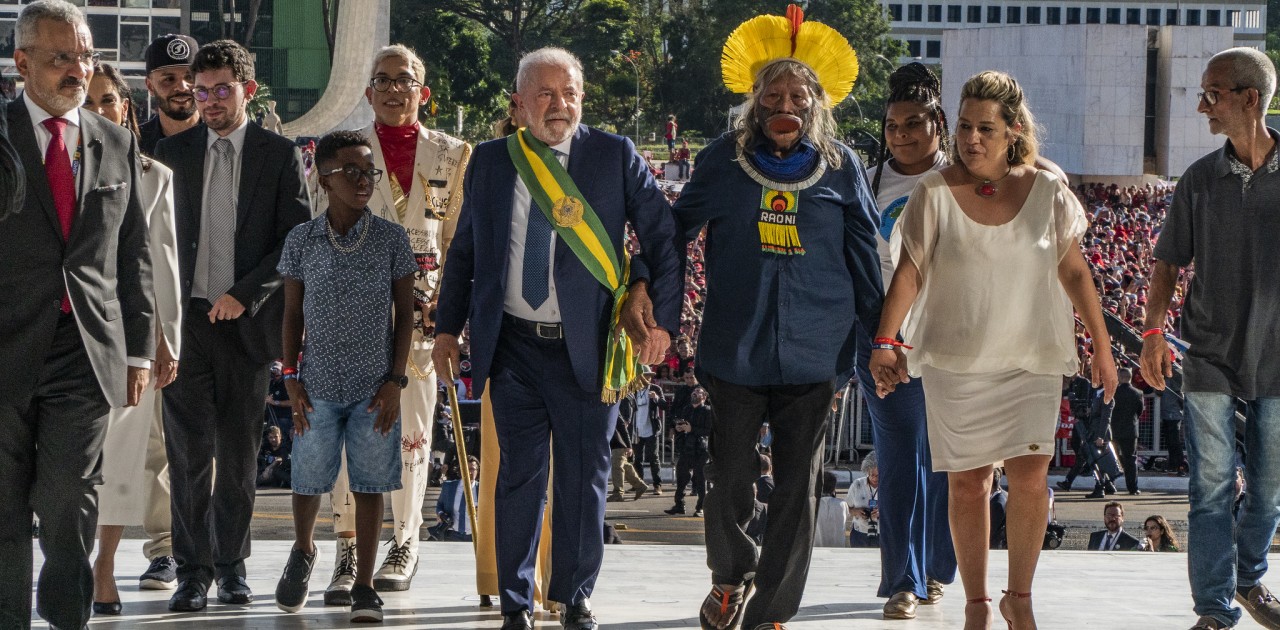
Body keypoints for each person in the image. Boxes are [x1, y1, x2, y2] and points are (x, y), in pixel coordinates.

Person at [432, 46, 681, 630]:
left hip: (586, 347)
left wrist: (657, 310)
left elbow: (662, 237)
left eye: (568, 92)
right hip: (512, 346)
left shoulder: (613, 155)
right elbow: (465, 252)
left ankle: (573, 597)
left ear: (582, 98)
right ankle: (516, 602)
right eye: (544, 94)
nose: (558, 104)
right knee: (518, 476)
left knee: (582, 478)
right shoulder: (492, 161)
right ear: (518, 104)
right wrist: (447, 328)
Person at [869, 70, 1118, 630]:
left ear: (1013, 131)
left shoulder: (1050, 192)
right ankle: (978, 603)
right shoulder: (932, 193)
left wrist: (1101, 349)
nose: (972, 138)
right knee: (969, 482)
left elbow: (1076, 273)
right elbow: (908, 272)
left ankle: (1019, 598)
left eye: (986, 127)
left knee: (1031, 478)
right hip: (955, 363)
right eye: (964, 126)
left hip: (1031, 359)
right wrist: (886, 340)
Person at [673, 8, 883, 628]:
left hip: (816, 355)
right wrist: (647, 297)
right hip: (735, 349)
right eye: (773, 92)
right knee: (731, 472)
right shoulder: (720, 161)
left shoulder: (841, 168)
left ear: (817, 103)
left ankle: (772, 610)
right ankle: (730, 575)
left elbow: (866, 257)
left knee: (798, 487)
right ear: (754, 101)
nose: (785, 102)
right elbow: (674, 234)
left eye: (798, 93)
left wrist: (882, 341)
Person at [0, 2, 155, 628]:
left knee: (68, 501)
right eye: (61, 56)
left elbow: (134, 253)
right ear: (22, 62)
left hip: (84, 350)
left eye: (85, 55)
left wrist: (139, 349)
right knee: (5, 507)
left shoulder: (115, 141)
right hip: (5, 347)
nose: (77, 69)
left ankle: (66, 618)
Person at [311, 44, 472, 603]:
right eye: (382, 79)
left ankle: (404, 542)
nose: (393, 89)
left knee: (412, 434)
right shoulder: (340, 154)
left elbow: (458, 243)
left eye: (405, 79)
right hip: (349, 316)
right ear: (368, 91)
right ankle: (348, 546)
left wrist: (450, 309)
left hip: (422, 320)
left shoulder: (454, 155)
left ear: (422, 90)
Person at [155, 39, 310, 612]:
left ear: (247, 90)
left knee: (240, 453)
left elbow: (294, 238)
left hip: (245, 325)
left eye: (223, 90)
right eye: (202, 91)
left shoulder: (277, 153)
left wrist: (244, 295)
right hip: (186, 322)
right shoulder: (172, 153)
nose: (211, 101)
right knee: (188, 452)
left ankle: (232, 566)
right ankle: (192, 571)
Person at [1138, 47, 1280, 630]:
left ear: (1251, 99)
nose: (1202, 106)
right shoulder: (1198, 178)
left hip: (1278, 358)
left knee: (1269, 489)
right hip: (1208, 358)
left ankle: (1248, 578)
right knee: (1212, 488)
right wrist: (1151, 333)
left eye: (1213, 94)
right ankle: (1215, 609)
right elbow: (1168, 266)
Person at [272, 130, 417, 622]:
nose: (362, 181)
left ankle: (364, 583)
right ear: (324, 177)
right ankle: (305, 549)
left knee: (371, 484)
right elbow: (292, 315)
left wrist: (395, 381)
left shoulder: (391, 239)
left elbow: (405, 316)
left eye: (368, 172)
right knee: (309, 479)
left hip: (374, 388)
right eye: (350, 171)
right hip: (314, 387)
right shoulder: (302, 239)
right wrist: (291, 376)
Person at [82, 61, 183, 615]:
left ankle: (104, 566)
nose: (99, 111)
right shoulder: (56, 164)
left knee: (122, 459)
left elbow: (160, 267)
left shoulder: (153, 175)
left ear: (128, 108)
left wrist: (164, 342)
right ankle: (67, 558)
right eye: (89, 102)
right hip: (66, 333)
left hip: (129, 339)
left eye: (108, 101)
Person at [861, 62, 957, 620]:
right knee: (899, 454)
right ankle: (902, 578)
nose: (902, 135)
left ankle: (937, 570)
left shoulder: (962, 176)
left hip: (946, 332)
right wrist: (883, 335)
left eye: (915, 123)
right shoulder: (866, 179)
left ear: (939, 124)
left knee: (946, 456)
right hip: (878, 335)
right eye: (893, 125)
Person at [139, 33, 199, 155]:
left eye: (190, 77)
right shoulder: (134, 144)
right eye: (169, 79)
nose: (182, 87)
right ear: (150, 86)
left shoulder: (222, 139)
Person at [665, 385, 712, 517]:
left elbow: (709, 431)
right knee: (681, 476)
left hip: (701, 449)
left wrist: (692, 429)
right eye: (694, 392)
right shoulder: (687, 409)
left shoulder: (708, 411)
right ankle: (679, 504)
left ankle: (701, 507)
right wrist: (679, 428)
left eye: (698, 392)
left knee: (701, 479)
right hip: (687, 448)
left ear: (704, 396)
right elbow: (682, 425)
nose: (694, 394)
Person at [1110, 367, 1145, 495]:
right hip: (1130, 429)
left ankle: (1110, 485)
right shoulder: (1138, 393)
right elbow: (1139, 411)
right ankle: (1133, 488)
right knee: (1130, 459)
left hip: (1114, 429)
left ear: (1119, 377)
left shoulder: (1113, 392)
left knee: (1112, 458)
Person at [607, 405, 650, 501]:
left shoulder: (612, 409)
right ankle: (640, 485)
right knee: (624, 466)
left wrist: (629, 446)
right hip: (616, 443)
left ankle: (618, 492)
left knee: (617, 467)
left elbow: (622, 426)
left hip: (618, 443)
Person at [434, 456, 481, 542]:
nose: (470, 472)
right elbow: (439, 506)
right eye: (466, 468)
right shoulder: (449, 487)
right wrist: (441, 515)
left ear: (477, 471)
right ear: (461, 470)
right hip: (452, 535)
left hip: (474, 536)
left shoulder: (482, 490)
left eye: (473, 469)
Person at [846, 453, 881, 549]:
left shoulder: (889, 486)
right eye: (871, 475)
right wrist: (856, 511)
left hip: (882, 533)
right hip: (860, 533)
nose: (874, 478)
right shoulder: (857, 485)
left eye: (878, 475)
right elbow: (846, 508)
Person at [814, 470, 847, 548]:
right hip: (838, 549)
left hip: (817, 549)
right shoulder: (842, 504)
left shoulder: (813, 504)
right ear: (833, 489)